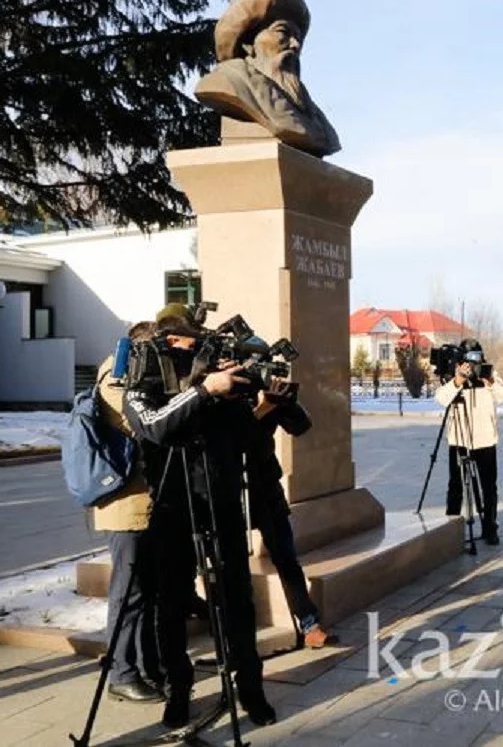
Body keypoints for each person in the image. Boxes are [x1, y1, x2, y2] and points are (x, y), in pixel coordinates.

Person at [124, 312, 276, 729]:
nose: (193, 351)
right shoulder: (143, 376)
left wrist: (251, 402)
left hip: (222, 499)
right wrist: (203, 390)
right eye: (184, 344)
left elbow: (248, 440)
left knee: (238, 599)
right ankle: (178, 689)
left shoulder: (216, 381)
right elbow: (154, 427)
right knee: (171, 602)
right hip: (174, 506)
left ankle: (250, 687)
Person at [93, 321, 164, 703]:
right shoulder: (117, 375)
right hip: (124, 506)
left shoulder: (131, 375)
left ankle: (145, 666)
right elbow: (143, 426)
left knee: (146, 591)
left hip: (142, 503)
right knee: (129, 593)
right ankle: (121, 672)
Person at [243, 378, 336, 647]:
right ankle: (233, 627)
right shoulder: (218, 390)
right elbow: (230, 437)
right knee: (229, 563)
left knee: (286, 557)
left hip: (265, 485)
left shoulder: (262, 390)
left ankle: (309, 623)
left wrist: (285, 402)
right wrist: (258, 410)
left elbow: (300, 426)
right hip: (229, 487)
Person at [194, 0, 339, 157]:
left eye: (298, 37)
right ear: (248, 43)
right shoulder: (225, 83)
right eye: (283, 32)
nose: (295, 45)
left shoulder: (309, 111)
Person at [434, 339, 503, 544]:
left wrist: (492, 384)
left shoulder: (489, 374)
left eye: (476, 358)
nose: (473, 364)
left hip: (486, 440)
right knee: (456, 485)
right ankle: (450, 527)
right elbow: (441, 399)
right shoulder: (454, 376)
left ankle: (490, 526)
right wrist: (457, 381)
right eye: (469, 359)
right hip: (459, 440)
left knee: (489, 486)